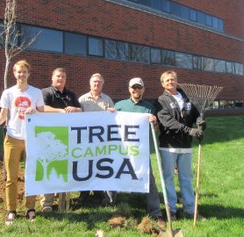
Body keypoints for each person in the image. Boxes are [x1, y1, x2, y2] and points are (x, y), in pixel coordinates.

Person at [0, 59, 45, 225]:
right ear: (14, 73)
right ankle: (11, 210)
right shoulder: (8, 93)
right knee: (11, 177)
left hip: (32, 139)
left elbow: (43, 115)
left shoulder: (36, 92)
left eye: (24, 72)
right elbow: (2, 117)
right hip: (12, 138)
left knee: (31, 175)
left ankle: (30, 208)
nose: (21, 75)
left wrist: (35, 112)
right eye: (18, 72)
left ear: (29, 74)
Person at [113, 77, 166, 229]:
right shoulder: (120, 106)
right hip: (121, 150)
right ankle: (113, 207)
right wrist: (110, 113)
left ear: (143, 89)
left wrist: (154, 121)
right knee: (116, 176)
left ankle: (156, 212)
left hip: (140, 151)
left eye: (139, 87)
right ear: (129, 89)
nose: (136, 90)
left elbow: (156, 128)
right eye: (133, 87)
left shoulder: (149, 108)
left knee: (149, 179)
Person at [155, 70, 206, 220]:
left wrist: (201, 123)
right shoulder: (160, 100)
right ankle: (172, 210)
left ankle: (190, 210)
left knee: (186, 178)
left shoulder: (187, 98)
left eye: (172, 79)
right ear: (162, 83)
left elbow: (197, 114)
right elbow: (167, 122)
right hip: (168, 145)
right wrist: (189, 130)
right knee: (168, 178)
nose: (170, 82)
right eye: (167, 80)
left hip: (186, 146)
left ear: (177, 81)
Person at [40, 67, 82, 212]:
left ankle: (64, 200)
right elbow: (42, 108)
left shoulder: (71, 94)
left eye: (63, 76)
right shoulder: (45, 92)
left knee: (64, 168)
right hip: (50, 136)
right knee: (51, 167)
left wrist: (74, 109)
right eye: (58, 76)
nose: (61, 79)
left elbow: (80, 110)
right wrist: (60, 111)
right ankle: (47, 203)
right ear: (52, 78)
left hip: (68, 136)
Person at [78, 73, 115, 204]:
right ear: (90, 83)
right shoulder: (82, 99)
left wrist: (112, 112)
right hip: (85, 138)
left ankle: (99, 192)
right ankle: (84, 192)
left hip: (101, 140)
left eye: (99, 82)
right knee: (85, 165)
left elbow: (113, 118)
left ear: (102, 84)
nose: (96, 84)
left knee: (99, 165)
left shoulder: (107, 100)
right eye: (94, 82)